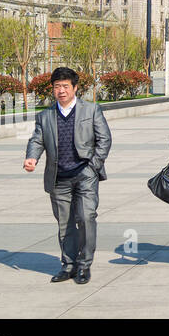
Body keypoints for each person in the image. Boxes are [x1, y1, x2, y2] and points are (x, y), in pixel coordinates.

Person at [23, 66, 112, 284]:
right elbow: (37, 140)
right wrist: (31, 157)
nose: (61, 90)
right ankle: (69, 265)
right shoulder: (45, 116)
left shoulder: (91, 110)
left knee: (86, 217)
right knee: (65, 223)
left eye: (65, 86)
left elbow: (105, 140)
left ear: (75, 88)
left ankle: (84, 265)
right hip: (58, 177)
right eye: (56, 87)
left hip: (85, 174)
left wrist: (93, 165)